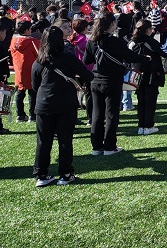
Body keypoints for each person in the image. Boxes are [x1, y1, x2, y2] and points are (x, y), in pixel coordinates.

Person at [31, 26, 93, 187]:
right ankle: (65, 173)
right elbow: (88, 75)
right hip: (65, 104)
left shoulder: (39, 61)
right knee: (65, 140)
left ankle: (41, 174)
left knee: (43, 141)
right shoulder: (69, 58)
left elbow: (35, 85)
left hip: (44, 104)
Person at [84, 13, 145, 156]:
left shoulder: (92, 41)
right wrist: (144, 58)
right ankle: (109, 147)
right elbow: (130, 56)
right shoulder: (116, 41)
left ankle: (96, 146)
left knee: (97, 114)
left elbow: (87, 61)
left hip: (96, 80)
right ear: (111, 24)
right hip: (112, 81)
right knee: (111, 114)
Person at [131, 19, 167, 135]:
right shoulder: (149, 41)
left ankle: (141, 126)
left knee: (141, 101)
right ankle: (148, 126)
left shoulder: (133, 41)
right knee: (150, 101)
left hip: (138, 75)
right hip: (151, 75)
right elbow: (164, 52)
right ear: (148, 30)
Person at [10, 20, 40, 123]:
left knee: (20, 92)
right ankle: (33, 115)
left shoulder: (13, 40)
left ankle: (20, 115)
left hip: (19, 69)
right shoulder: (32, 41)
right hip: (31, 69)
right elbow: (38, 54)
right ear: (27, 30)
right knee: (32, 92)